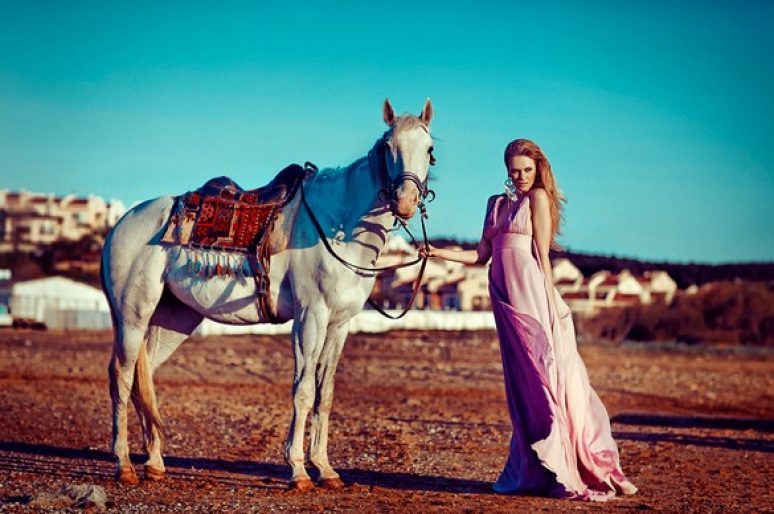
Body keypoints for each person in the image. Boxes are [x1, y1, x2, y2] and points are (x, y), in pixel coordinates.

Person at [421, 139, 637, 501]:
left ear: (537, 169)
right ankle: (539, 469)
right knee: (524, 389)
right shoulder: (495, 204)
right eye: (514, 171)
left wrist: (552, 304)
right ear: (506, 170)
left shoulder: (537, 200)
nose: (520, 177)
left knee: (548, 380)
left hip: (534, 302)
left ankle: (569, 466)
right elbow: (479, 256)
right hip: (505, 303)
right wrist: (436, 252)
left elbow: (541, 253)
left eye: (527, 170)